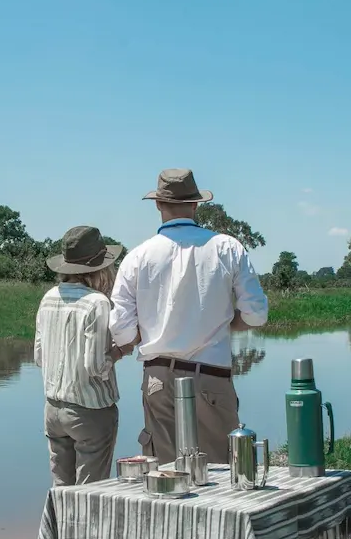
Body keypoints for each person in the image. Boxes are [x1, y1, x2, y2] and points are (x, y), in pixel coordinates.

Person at [110, 168, 269, 464]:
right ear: (196, 203)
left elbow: (122, 331)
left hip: (158, 378)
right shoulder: (227, 247)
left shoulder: (137, 257)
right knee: (221, 473)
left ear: (158, 204)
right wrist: (227, 322)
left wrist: (148, 328)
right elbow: (257, 315)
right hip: (210, 375)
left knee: (167, 476)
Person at [34, 225, 130, 485]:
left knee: (62, 492)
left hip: (52, 409)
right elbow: (96, 366)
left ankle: (56, 528)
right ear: (100, 268)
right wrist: (122, 350)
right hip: (90, 410)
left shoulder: (48, 298)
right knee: (91, 494)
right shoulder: (97, 302)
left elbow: (39, 356)